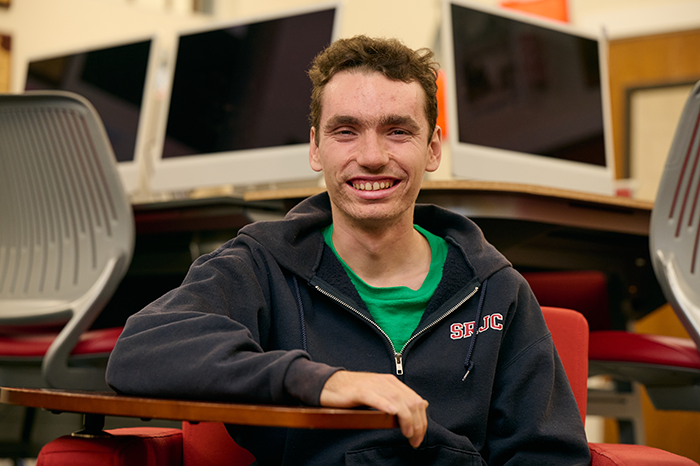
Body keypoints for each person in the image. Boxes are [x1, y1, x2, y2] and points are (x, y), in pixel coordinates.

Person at [106, 35, 590, 465]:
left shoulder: (496, 290)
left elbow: (547, 453)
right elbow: (139, 353)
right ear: (316, 149)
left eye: (398, 130)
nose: (373, 155)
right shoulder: (258, 266)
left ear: (434, 149)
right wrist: (323, 382)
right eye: (346, 131)